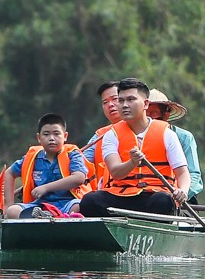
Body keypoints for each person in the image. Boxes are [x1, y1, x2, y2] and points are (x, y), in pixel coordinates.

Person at [79, 78, 192, 218]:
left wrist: (183, 191)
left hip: (153, 195)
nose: (124, 105)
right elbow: (115, 172)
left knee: (164, 201)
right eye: (121, 100)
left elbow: (182, 173)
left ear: (145, 104)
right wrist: (132, 162)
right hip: (121, 195)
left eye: (131, 99)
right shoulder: (111, 135)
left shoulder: (167, 135)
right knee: (89, 201)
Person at [1, 113, 91, 219]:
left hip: (67, 203)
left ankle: (56, 216)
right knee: (12, 211)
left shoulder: (72, 154)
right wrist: (8, 205)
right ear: (39, 138)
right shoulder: (32, 157)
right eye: (46, 134)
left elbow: (79, 178)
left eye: (56, 134)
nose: (51, 138)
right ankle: (44, 216)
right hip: (39, 205)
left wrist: (46, 188)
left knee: (79, 206)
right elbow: (9, 173)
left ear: (65, 136)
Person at [148, 89, 203, 202]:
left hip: (179, 196)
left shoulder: (184, 138)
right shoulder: (137, 136)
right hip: (149, 195)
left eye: (153, 114)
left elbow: (193, 174)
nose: (149, 120)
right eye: (145, 114)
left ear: (166, 115)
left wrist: (181, 193)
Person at [81, 79, 124, 194]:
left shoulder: (144, 130)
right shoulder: (99, 135)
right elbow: (82, 163)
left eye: (115, 99)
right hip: (107, 193)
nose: (110, 105)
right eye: (105, 102)